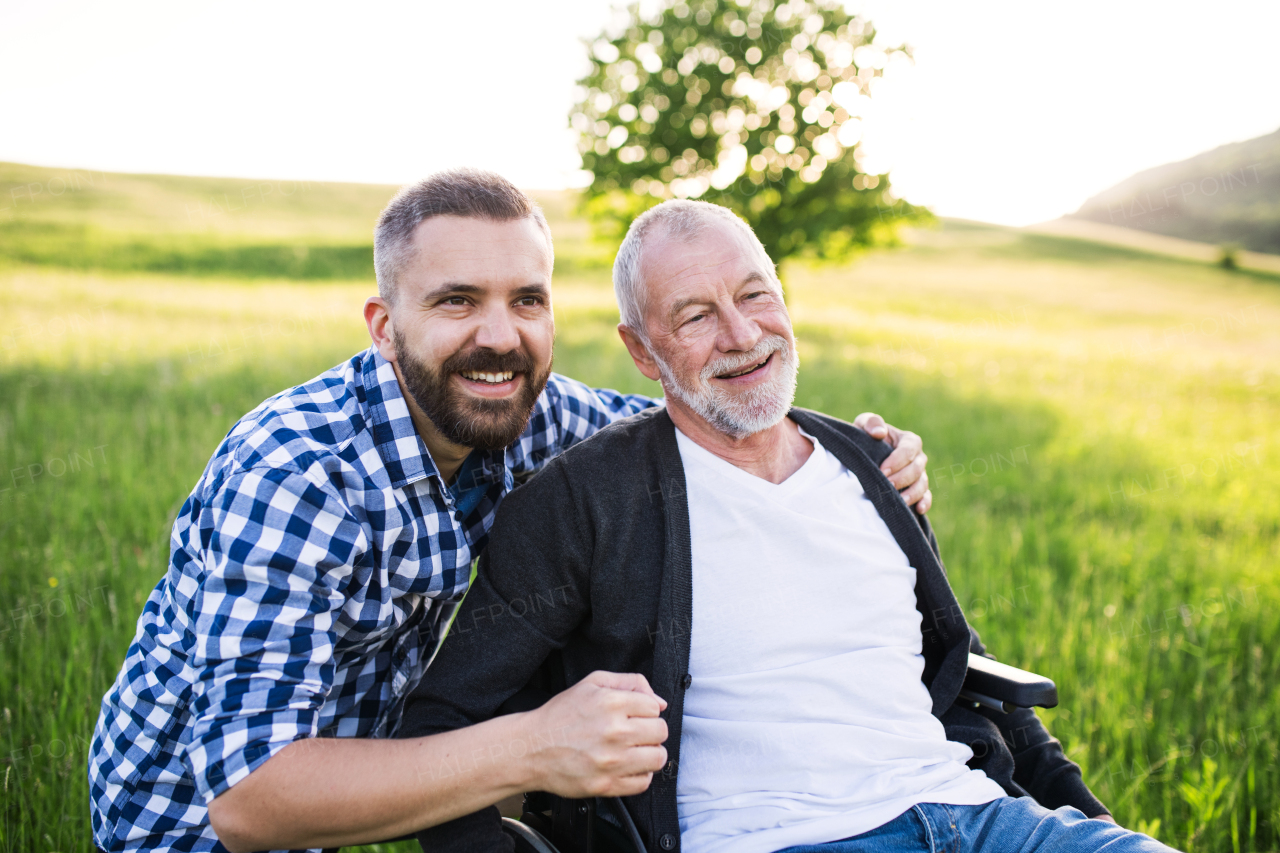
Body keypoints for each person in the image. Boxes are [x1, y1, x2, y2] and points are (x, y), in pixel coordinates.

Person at [87, 170, 931, 853]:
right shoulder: (301, 472)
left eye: (527, 300)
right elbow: (250, 800)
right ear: (384, 326)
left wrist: (867, 455)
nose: (500, 336)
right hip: (187, 828)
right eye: (457, 301)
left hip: (370, 795)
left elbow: (715, 410)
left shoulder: (538, 416)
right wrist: (534, 747)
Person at [401, 199, 1177, 853]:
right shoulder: (582, 501)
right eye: (696, 315)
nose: (742, 335)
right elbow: (445, 721)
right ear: (641, 350)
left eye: (755, 295)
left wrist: (1092, 825)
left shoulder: (872, 462)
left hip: (980, 818)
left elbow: (966, 668)